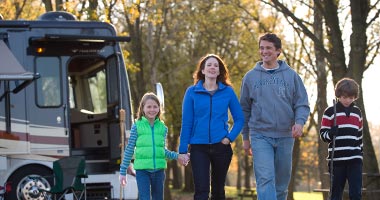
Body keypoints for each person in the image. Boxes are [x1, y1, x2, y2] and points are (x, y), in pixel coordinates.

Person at [240, 33, 310, 200]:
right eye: (262, 48)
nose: (264, 51)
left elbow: (302, 103)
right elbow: (244, 109)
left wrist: (299, 123)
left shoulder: (291, 76)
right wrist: (245, 137)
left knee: (281, 185)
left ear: (278, 51)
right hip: (260, 135)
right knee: (265, 179)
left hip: (286, 136)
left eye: (268, 48)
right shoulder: (250, 77)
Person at [178, 54, 245, 200]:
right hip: (198, 147)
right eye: (209, 65)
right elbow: (187, 122)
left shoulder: (227, 92)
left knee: (218, 191)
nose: (212, 68)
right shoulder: (192, 92)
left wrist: (229, 138)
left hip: (221, 146)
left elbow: (239, 119)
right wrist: (182, 150)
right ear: (202, 70)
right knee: (201, 191)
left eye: (216, 65)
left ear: (220, 71)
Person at [119, 92, 188, 200]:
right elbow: (129, 149)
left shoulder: (163, 128)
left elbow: (163, 151)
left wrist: (178, 156)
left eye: (155, 106)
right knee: (145, 198)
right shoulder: (137, 126)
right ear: (143, 108)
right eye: (149, 106)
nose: (152, 109)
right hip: (142, 171)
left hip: (159, 171)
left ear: (159, 108)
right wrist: (123, 171)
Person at [320, 78, 363, 200]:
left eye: (351, 97)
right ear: (338, 95)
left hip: (355, 159)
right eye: (344, 97)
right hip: (337, 160)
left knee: (356, 194)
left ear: (355, 97)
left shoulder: (357, 112)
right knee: (335, 194)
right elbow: (323, 134)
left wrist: (361, 154)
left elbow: (359, 136)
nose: (347, 100)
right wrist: (331, 133)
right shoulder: (330, 112)